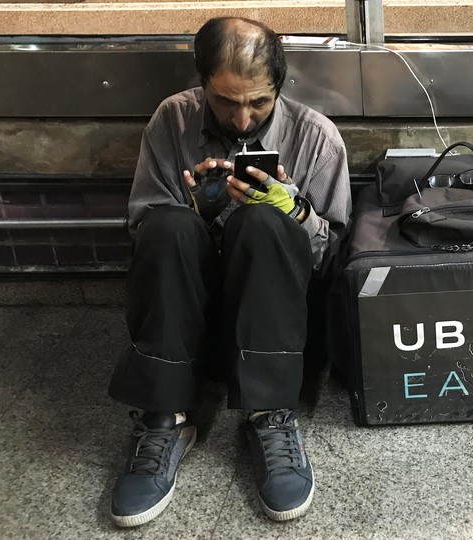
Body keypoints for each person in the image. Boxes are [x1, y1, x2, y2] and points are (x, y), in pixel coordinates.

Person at [106, 16, 351, 527]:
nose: (242, 121)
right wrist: (198, 207)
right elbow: (142, 232)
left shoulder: (316, 138)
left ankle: (270, 414)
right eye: (225, 102)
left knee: (265, 222)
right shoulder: (172, 120)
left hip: (276, 329)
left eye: (258, 103)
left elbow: (333, 260)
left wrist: (296, 213)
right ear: (201, 84)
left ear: (279, 87)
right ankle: (165, 418)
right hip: (188, 324)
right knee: (168, 226)